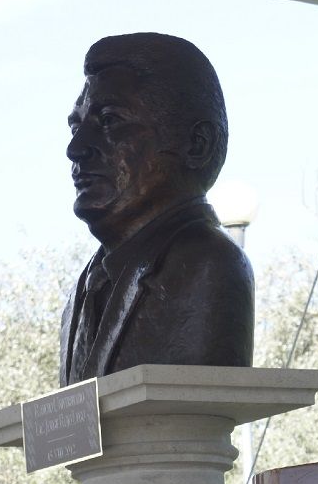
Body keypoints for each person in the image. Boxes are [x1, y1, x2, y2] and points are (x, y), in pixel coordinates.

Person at [60, 32, 254, 385]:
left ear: (196, 145)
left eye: (110, 120)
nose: (76, 149)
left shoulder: (208, 265)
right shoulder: (85, 286)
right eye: (77, 126)